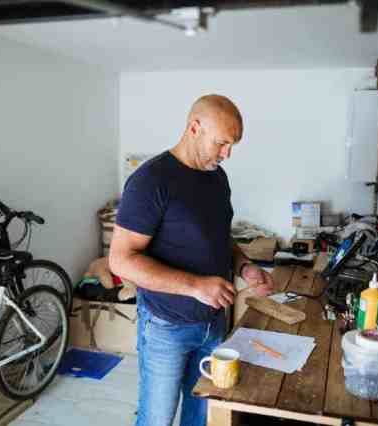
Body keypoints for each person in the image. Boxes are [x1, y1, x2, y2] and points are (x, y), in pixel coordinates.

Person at [109, 94, 275, 426]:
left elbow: (218, 238)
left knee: (202, 415)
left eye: (232, 146)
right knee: (157, 418)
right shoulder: (149, 182)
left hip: (213, 322)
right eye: (222, 143)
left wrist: (244, 266)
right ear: (194, 128)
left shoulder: (217, 178)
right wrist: (195, 286)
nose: (227, 154)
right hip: (165, 327)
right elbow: (121, 260)